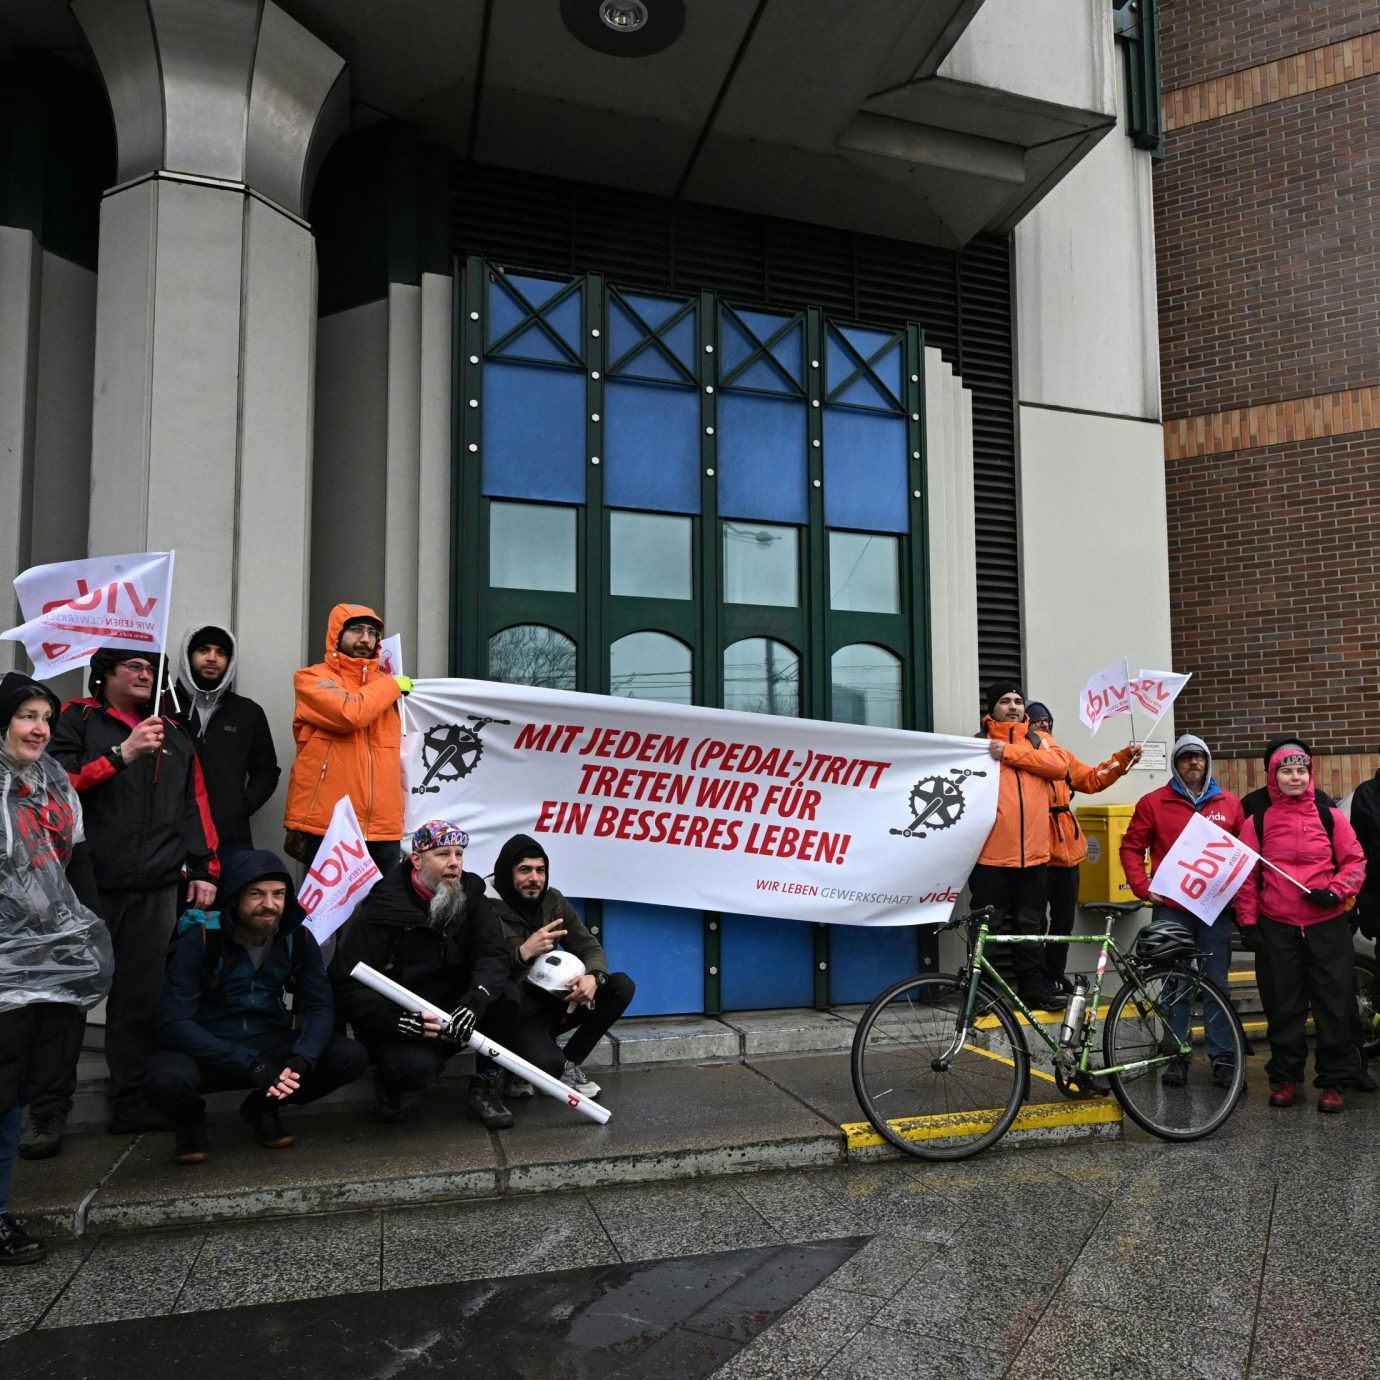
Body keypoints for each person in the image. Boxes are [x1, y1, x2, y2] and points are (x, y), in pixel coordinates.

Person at [23, 649, 219, 1152]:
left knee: (138, 1000)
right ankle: (46, 1113)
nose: (144, 674)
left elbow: (194, 806)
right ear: (104, 675)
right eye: (132, 665)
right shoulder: (76, 718)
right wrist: (122, 754)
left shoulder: (173, 733)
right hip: (85, 885)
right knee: (66, 998)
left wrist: (204, 868)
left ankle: (130, 1102)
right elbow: (52, 784)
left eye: (151, 668)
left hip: (155, 888)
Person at [145, 850, 367, 1162]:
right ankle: (190, 1123)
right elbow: (173, 1023)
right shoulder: (202, 937)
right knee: (164, 1077)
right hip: (210, 1047)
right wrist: (250, 1064)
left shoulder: (297, 938)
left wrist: (303, 1059)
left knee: (348, 1056)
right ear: (235, 898)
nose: (270, 904)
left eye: (279, 894)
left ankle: (263, 1107)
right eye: (256, 894)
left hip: (268, 1043)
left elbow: (320, 1007)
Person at [0, 673, 113, 1262]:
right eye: (26, 716)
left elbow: (76, 864)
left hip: (44, 960)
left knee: (18, 1087)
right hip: (4, 964)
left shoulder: (53, 785)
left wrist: (84, 937)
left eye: (45, 717)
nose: (40, 728)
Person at [331, 820, 517, 1129]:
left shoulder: (471, 895)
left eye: (459, 854)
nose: (454, 863)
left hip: (454, 1004)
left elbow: (494, 954)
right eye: (443, 854)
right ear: (416, 860)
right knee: (415, 1070)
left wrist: (475, 1000)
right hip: (400, 1016)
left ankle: (484, 1085)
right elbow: (348, 981)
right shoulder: (382, 907)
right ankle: (391, 1081)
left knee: (506, 995)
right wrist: (395, 1021)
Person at [1236, 743, 1368, 1112]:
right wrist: (1248, 923)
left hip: (1326, 926)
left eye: (1301, 771)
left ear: (1310, 775)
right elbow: (1247, 878)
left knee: (1335, 1005)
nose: (1295, 777)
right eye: (1286, 771)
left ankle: (1335, 1080)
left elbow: (1355, 861)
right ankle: (1286, 1077)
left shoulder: (1330, 818)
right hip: (1277, 927)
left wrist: (1337, 892)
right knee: (1284, 1007)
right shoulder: (1256, 823)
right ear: (1273, 777)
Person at [1119, 734, 1245, 1088]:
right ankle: (1176, 1054)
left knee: (1216, 982)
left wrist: (1236, 894)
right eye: (1186, 757)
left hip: (1213, 911)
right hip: (1172, 908)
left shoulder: (1230, 804)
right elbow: (1131, 848)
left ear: (1207, 762)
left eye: (1199, 757)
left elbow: (1244, 853)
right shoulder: (1153, 802)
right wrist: (1143, 888)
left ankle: (1223, 1058)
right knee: (1175, 981)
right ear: (1176, 764)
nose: (1194, 763)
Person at [486, 834, 635, 1099]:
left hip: (553, 1003)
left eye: (540, 870)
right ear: (507, 872)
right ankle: (527, 1067)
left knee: (620, 986)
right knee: (546, 1066)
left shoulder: (552, 900)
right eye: (524, 870)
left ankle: (568, 1064)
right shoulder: (484, 907)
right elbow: (483, 974)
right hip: (513, 1014)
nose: (534, 878)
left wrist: (594, 977)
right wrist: (522, 953)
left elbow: (589, 947)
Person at [284, 604, 411, 875]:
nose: (366, 638)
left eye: (372, 632)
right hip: (327, 824)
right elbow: (349, 713)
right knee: (327, 915)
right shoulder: (310, 678)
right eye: (356, 630)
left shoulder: (393, 692)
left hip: (384, 828)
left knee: (385, 912)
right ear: (335, 635)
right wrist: (391, 685)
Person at [1024, 702, 1139, 994]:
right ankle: (1037, 981)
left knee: (1063, 920)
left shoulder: (1060, 755)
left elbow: (1092, 778)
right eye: (1036, 720)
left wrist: (1124, 759)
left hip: (1067, 852)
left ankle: (1055, 974)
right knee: (1034, 922)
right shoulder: (1021, 756)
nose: (1044, 725)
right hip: (1034, 851)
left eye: (1048, 720)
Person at [970, 681, 1071, 1011]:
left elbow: (1060, 767)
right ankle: (981, 994)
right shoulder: (975, 745)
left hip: (1035, 858)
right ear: (992, 709)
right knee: (987, 929)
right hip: (990, 859)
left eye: (1018, 701)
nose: (1013, 706)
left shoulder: (1040, 741)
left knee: (1030, 928)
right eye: (1005, 701)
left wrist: (1009, 753)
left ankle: (1034, 989)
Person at [174, 622, 280, 857]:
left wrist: (241, 807)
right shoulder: (161, 707)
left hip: (230, 838)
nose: (212, 658)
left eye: (221, 653)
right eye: (203, 650)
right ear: (187, 656)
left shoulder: (248, 712)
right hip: (169, 837)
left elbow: (267, 771)